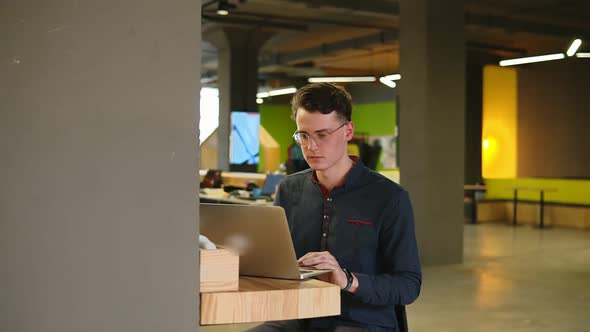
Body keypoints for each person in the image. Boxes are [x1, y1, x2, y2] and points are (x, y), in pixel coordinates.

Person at [250, 83, 421, 332]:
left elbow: (408, 285)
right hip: (300, 316)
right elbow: (278, 264)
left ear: (347, 131)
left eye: (323, 134)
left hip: (362, 321)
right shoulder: (288, 190)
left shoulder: (390, 198)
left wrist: (348, 279)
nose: (311, 146)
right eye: (303, 135)